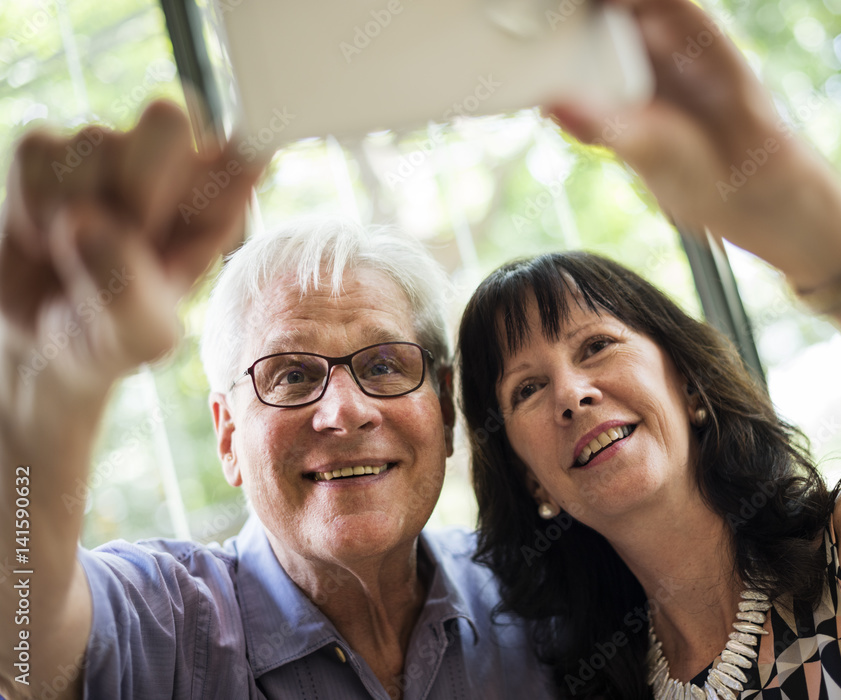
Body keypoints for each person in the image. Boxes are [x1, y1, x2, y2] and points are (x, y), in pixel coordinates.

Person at [456, 0, 841, 699]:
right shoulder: (601, 686)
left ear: (688, 387)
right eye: (526, 389)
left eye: (596, 345)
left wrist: (823, 232)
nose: (572, 393)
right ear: (531, 481)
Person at [0, 103, 555, 699]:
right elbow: (25, 637)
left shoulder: (533, 588)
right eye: (291, 376)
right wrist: (43, 394)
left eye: (385, 365)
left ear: (445, 410)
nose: (344, 411)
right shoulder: (167, 621)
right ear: (228, 437)